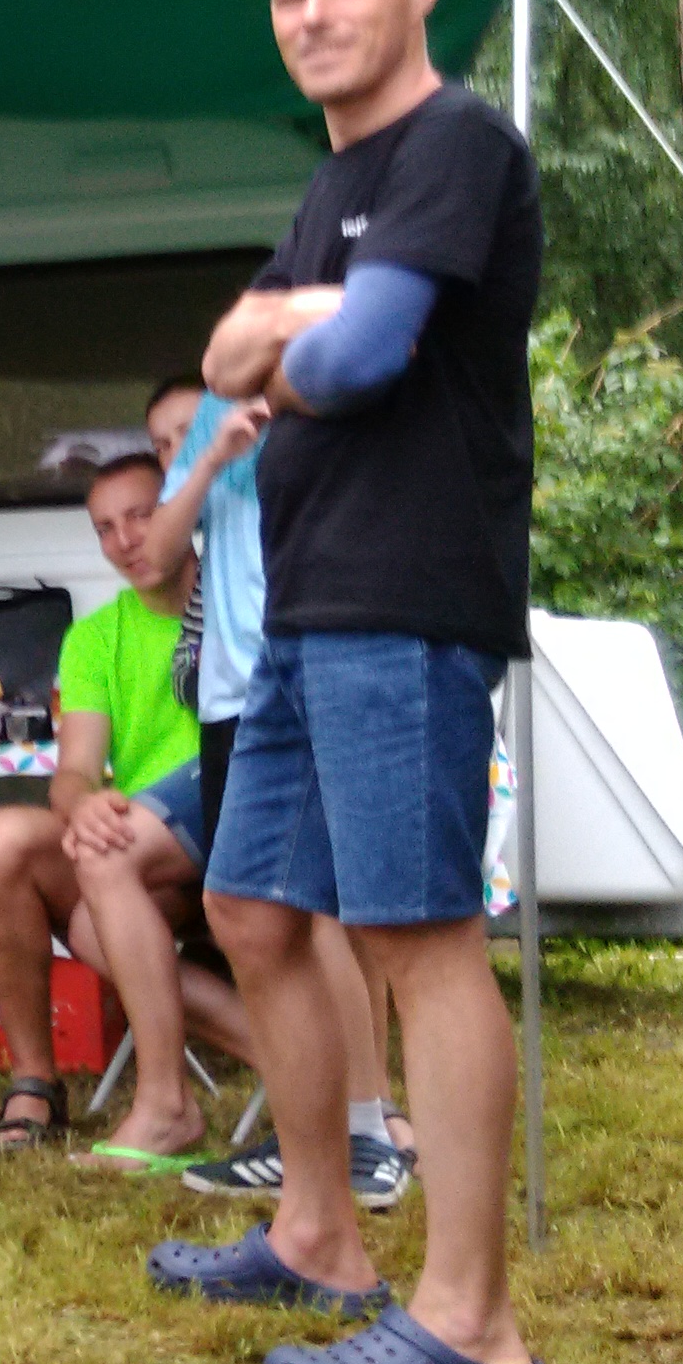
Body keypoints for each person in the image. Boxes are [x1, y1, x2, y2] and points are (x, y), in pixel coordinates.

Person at [149, 0, 548, 1364]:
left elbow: (358, 360)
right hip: (310, 606)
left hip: (410, 591)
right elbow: (224, 360)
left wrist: (306, 328)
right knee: (250, 906)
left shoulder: (457, 146)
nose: (312, 14)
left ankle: (472, 1319)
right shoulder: (338, 187)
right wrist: (313, 314)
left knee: (418, 938)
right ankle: (318, 1233)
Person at [140, 372, 417, 1210]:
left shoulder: (323, 409)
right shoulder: (213, 433)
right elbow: (157, 555)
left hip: (301, 678)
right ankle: (320, 1139)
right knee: (258, 916)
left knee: (314, 913)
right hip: (230, 702)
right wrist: (206, 458)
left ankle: (364, 1133)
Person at [0, 447, 241, 1162]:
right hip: (133, 852)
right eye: (105, 528)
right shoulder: (93, 637)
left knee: (98, 908)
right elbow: (76, 771)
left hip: (232, 833)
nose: (125, 541)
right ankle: (35, 1081)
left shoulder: (238, 605)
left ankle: (251, 1068)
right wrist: (82, 804)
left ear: (184, 510)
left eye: (142, 516)